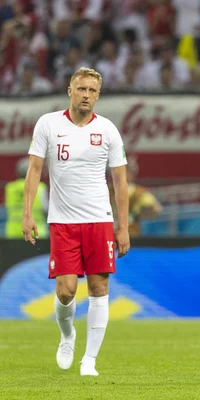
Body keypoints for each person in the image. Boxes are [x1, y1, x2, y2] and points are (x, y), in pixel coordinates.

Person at [22, 67, 130, 377]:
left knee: (99, 288)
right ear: (70, 91)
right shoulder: (48, 124)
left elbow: (120, 182)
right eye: (81, 89)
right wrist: (28, 213)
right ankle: (67, 335)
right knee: (67, 290)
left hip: (99, 220)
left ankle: (90, 360)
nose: (86, 95)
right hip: (63, 221)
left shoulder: (108, 130)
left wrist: (122, 226)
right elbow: (34, 171)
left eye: (92, 91)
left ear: (98, 95)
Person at [5, 157, 48, 239]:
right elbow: (46, 209)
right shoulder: (40, 187)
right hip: (36, 232)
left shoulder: (10, 188)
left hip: (13, 232)